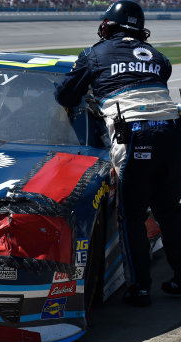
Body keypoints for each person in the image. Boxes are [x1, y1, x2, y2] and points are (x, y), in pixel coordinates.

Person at [54, 0, 181, 306]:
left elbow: (65, 94)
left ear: (108, 27)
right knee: (169, 213)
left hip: (136, 138)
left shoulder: (93, 54)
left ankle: (139, 288)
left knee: (132, 216)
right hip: (174, 134)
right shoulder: (159, 58)